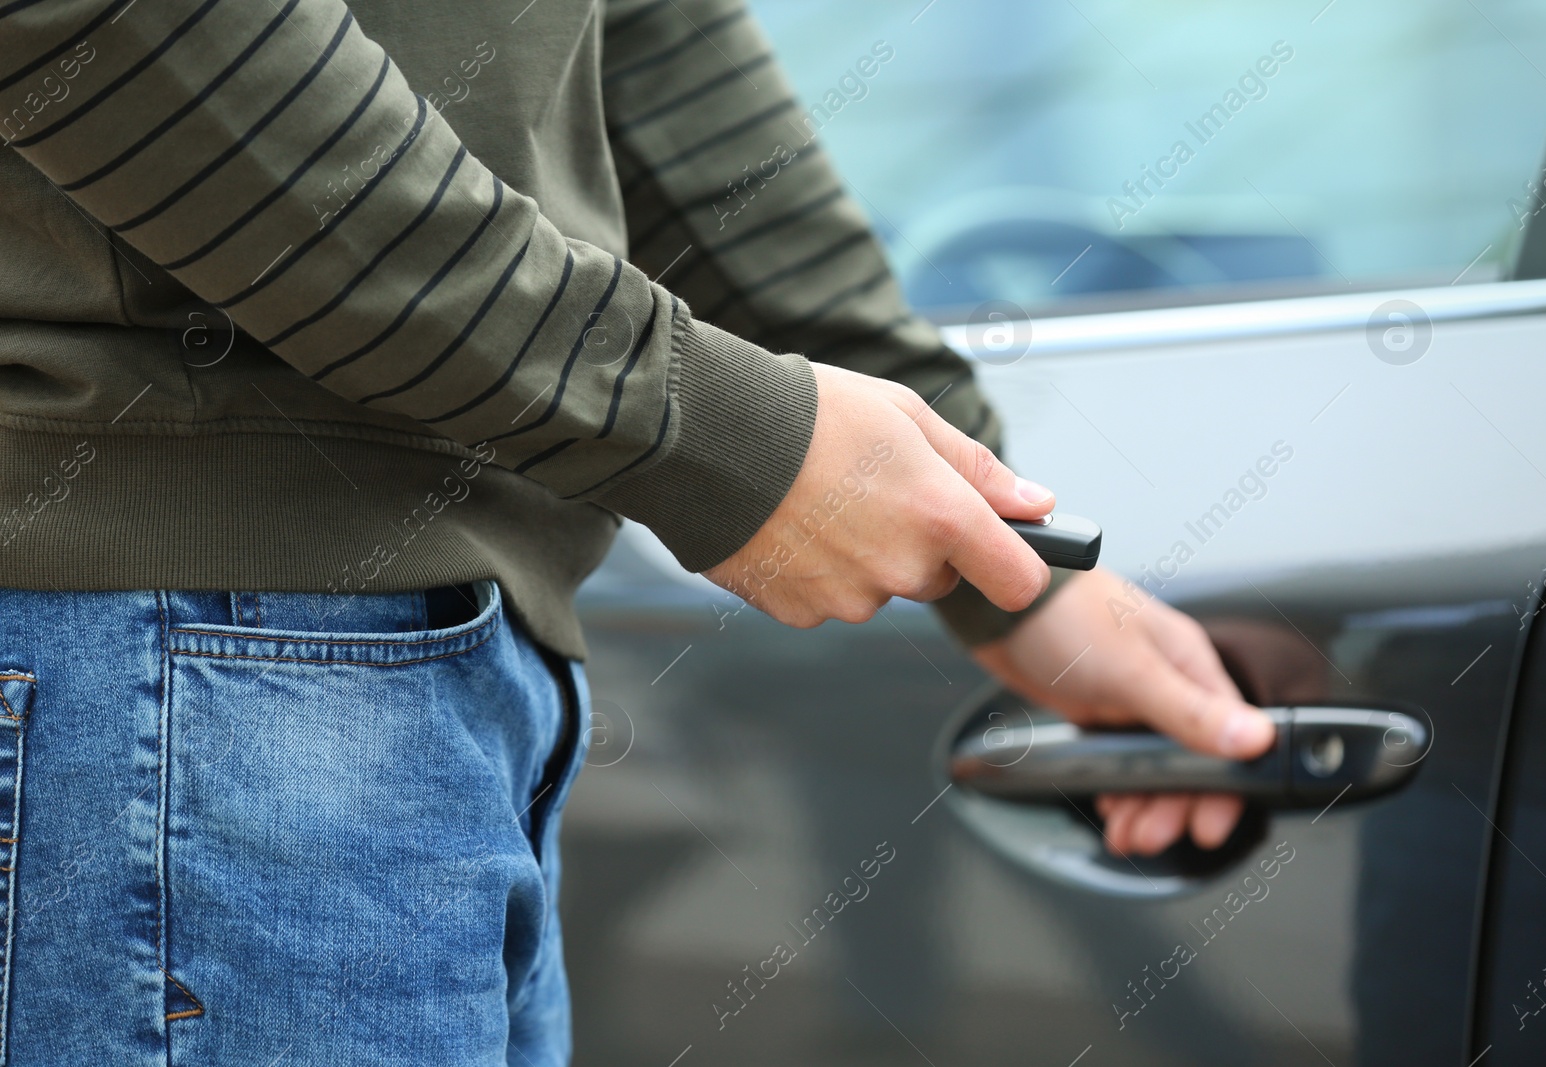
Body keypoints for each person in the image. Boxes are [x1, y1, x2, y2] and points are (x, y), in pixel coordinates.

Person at [0, 0, 1276, 1062]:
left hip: (392, 674)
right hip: (172, 653)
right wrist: (714, 435)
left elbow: (646, 59)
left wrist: (1003, 557)